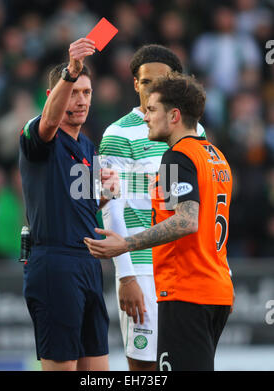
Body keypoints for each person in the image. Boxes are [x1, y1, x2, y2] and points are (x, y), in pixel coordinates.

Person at [85, 72, 234, 371]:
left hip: (186, 292)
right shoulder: (215, 155)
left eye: (152, 110)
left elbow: (186, 221)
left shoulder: (176, 158)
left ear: (174, 115)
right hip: (217, 289)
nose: (146, 118)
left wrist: (125, 244)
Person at [99, 44, 206, 371]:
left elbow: (196, 204)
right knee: (144, 367)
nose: (153, 90)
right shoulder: (117, 134)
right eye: (146, 82)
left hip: (184, 268)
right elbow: (110, 208)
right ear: (135, 84)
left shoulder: (193, 132)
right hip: (143, 269)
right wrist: (126, 277)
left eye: (162, 82)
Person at [19, 38, 119, 371]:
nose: (81, 100)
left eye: (86, 93)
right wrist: (70, 71)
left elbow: (82, 204)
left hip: (89, 263)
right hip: (55, 264)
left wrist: (106, 193)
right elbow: (48, 123)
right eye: (74, 91)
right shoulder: (38, 133)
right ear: (54, 96)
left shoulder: (88, 146)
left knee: (98, 373)